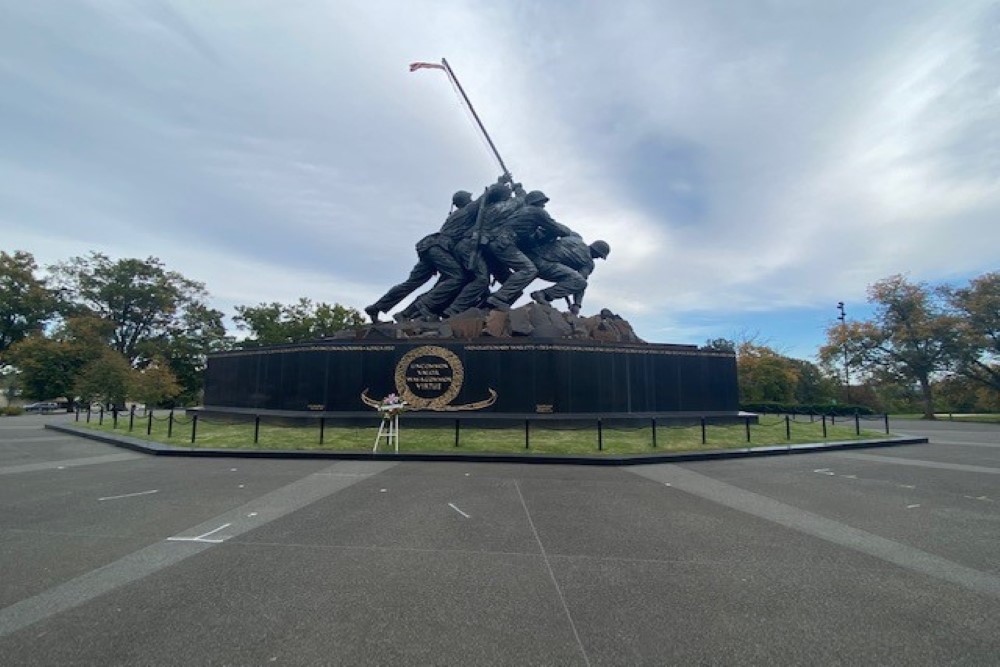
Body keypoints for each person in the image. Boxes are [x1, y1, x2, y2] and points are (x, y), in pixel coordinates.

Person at [364, 190, 473, 323]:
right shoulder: (466, 211)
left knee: (410, 284)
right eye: (470, 198)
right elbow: (485, 199)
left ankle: (376, 307)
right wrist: (500, 183)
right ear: (464, 201)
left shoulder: (455, 214)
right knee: (457, 277)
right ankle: (423, 305)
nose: (472, 200)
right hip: (439, 248)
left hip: (430, 247)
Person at [479, 190, 573, 310]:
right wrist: (566, 232)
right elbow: (555, 228)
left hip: (497, 242)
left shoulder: (523, 211)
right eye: (542, 202)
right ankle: (498, 298)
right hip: (504, 243)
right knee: (529, 270)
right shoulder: (537, 212)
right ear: (536, 202)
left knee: (513, 279)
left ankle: (493, 302)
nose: (543, 205)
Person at [527, 236, 610, 314]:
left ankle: (544, 295)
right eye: (599, 256)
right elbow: (580, 282)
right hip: (544, 265)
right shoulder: (588, 263)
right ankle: (543, 294)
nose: (598, 258)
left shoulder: (576, 239)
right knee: (580, 281)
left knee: (574, 278)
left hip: (530, 256)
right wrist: (577, 304)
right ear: (597, 252)